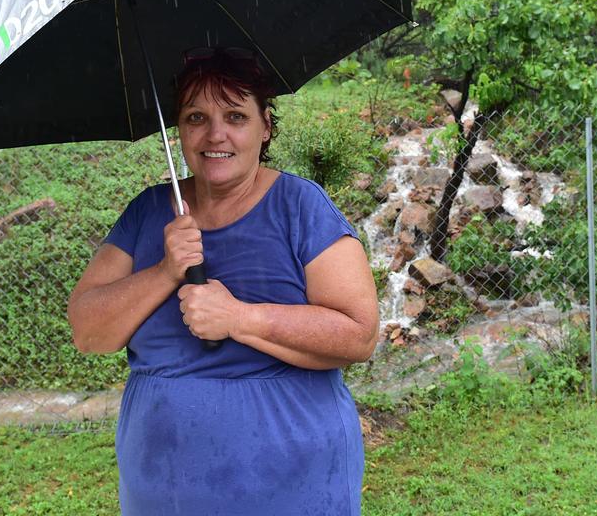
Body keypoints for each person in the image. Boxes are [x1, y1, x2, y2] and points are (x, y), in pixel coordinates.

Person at [67, 47, 379, 515]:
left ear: (265, 126)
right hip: (163, 491)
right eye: (196, 117)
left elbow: (358, 334)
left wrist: (238, 317)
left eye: (235, 115)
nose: (216, 134)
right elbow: (88, 331)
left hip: (292, 489)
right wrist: (164, 272)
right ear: (179, 129)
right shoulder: (148, 212)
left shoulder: (300, 207)